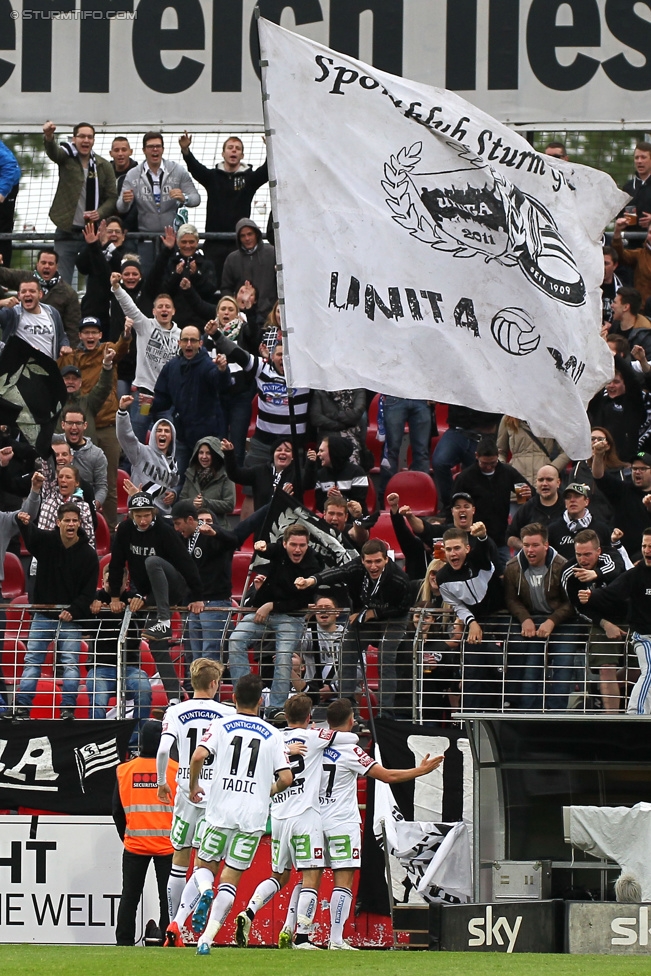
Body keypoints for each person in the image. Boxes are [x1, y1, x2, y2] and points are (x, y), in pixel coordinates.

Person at [278, 698, 443, 950]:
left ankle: (295, 932)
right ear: (351, 720)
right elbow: (386, 776)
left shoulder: (312, 744)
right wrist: (419, 771)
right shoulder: (350, 749)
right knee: (343, 881)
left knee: (308, 880)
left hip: (311, 819)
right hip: (341, 821)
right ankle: (335, 939)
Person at [235, 693, 359, 949]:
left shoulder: (274, 739)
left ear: (286, 715)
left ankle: (249, 911)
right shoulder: (314, 737)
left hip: (279, 816)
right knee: (311, 877)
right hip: (305, 816)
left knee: (279, 876)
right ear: (309, 717)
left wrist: (283, 749)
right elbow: (347, 737)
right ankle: (302, 936)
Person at [187, 674, 293, 955]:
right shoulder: (273, 734)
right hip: (252, 818)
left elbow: (198, 756)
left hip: (220, 810)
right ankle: (206, 939)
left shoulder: (221, 724)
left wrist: (194, 784)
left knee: (203, 866)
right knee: (231, 880)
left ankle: (205, 889)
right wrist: (265, 792)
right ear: (261, 701)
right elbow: (286, 777)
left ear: (233, 698)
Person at [156, 658, 235, 947]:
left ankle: (174, 926)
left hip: (185, 790)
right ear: (215, 683)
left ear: (192, 682)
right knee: (207, 861)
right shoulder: (227, 712)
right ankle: (202, 893)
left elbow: (164, 748)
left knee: (179, 857)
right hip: (215, 793)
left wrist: (160, 781)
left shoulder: (176, 711)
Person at [296, 539, 412, 718]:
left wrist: (374, 613)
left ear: (386, 560)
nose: (373, 566)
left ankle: (385, 713)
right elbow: (338, 572)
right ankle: (346, 707)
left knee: (385, 657)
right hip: (367, 613)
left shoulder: (399, 579)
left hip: (394, 617)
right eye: (369, 562)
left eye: (378, 561)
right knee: (348, 649)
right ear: (362, 560)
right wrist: (312, 581)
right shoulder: (357, 567)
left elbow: (403, 607)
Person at [13, 502, 98, 720]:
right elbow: (31, 536)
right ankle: (22, 708)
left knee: (70, 664)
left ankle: (68, 709)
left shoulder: (89, 555)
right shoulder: (46, 542)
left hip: (71, 619)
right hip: (42, 616)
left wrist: (74, 611)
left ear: (79, 523)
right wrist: (23, 523)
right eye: (67, 520)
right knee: (32, 661)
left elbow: (89, 593)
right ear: (58, 522)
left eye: (74, 521)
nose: (71, 524)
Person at [228, 524, 322, 720]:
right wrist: (261, 545)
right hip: (262, 612)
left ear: (308, 545)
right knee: (236, 640)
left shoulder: (313, 564)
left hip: (290, 616)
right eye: (293, 545)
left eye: (302, 545)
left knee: (284, 654)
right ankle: (247, 698)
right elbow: (268, 549)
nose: (298, 550)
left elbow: (301, 601)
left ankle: (276, 708)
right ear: (284, 543)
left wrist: (271, 605)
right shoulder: (278, 550)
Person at [58, 314, 132, 531]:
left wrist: (126, 335)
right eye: (86, 332)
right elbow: (59, 375)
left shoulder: (108, 349)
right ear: (79, 335)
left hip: (107, 425)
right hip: (78, 428)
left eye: (94, 332)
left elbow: (121, 348)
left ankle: (108, 530)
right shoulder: (73, 356)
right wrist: (61, 353)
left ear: (100, 334)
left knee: (108, 484)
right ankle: (72, 526)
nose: (90, 336)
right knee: (73, 480)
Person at [109, 491, 204, 647]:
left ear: (153, 512)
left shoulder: (164, 530)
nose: (143, 521)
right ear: (132, 514)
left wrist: (197, 596)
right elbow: (116, 563)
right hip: (152, 592)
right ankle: (166, 671)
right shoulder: (125, 530)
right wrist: (115, 597)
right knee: (156, 646)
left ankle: (164, 622)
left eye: (146, 515)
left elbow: (185, 562)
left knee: (152, 561)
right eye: (138, 516)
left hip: (173, 586)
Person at [113, 720, 178, 946]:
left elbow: (117, 811)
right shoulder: (175, 770)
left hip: (135, 844)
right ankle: (168, 941)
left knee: (129, 897)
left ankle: (124, 942)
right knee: (167, 900)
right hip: (167, 846)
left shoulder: (124, 770)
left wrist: (127, 836)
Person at [504, 522, 576, 711]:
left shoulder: (563, 565)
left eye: (535, 545)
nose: (530, 550)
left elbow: (572, 602)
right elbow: (511, 599)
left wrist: (552, 621)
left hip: (563, 622)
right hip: (532, 619)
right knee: (530, 670)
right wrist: (525, 618)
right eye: (526, 545)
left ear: (546, 545)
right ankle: (528, 713)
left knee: (563, 665)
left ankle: (557, 714)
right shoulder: (512, 567)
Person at [579, 527, 651, 714]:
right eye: (644, 546)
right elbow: (613, 591)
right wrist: (592, 595)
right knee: (650, 670)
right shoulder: (636, 574)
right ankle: (636, 712)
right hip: (644, 636)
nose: (647, 551)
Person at [179, 132, 268, 279]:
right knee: (213, 283)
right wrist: (186, 151)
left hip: (239, 242)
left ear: (242, 155)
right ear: (223, 153)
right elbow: (195, 169)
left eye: (238, 148)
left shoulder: (249, 178)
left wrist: (270, 148)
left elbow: (265, 171)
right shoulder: (213, 177)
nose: (234, 150)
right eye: (230, 147)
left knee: (238, 282)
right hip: (214, 242)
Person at [436, 523, 504, 709]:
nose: (453, 553)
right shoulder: (442, 577)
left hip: (504, 618)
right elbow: (457, 605)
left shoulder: (478, 559)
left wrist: (482, 536)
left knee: (502, 669)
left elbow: (486, 549)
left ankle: (506, 709)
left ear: (467, 548)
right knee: (473, 672)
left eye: (457, 548)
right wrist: (472, 622)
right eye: (448, 549)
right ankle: (472, 720)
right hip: (476, 623)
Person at [151, 326, 231, 481]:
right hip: (182, 435)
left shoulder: (208, 365)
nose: (189, 344)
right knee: (179, 480)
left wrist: (222, 370)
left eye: (193, 340)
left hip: (207, 437)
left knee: (207, 481)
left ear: (200, 343)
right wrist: (150, 402)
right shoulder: (171, 366)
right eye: (185, 340)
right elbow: (163, 398)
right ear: (179, 342)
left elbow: (222, 385)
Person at [111, 271, 181, 443]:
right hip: (144, 397)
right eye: (160, 306)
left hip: (167, 399)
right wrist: (116, 288)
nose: (164, 309)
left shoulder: (182, 335)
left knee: (167, 442)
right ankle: (132, 470)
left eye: (167, 307)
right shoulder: (145, 326)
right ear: (154, 310)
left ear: (173, 311)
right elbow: (130, 308)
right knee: (136, 440)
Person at [42, 120, 117, 282]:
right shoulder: (66, 158)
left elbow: (112, 197)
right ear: (74, 139)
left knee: (96, 278)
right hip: (66, 229)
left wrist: (100, 213)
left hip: (92, 232)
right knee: (61, 281)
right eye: (82, 136)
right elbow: (53, 152)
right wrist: (49, 137)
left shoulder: (104, 166)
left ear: (94, 141)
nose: (86, 140)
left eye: (90, 137)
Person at [117, 131, 200, 274]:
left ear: (163, 149)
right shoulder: (133, 174)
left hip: (172, 239)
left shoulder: (177, 170)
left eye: (158, 146)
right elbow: (121, 208)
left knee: (171, 277)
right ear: (144, 150)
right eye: (150, 147)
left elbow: (196, 198)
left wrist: (184, 198)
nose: (155, 150)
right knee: (147, 278)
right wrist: (125, 201)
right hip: (145, 239)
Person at [561, 529, 626, 712]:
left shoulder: (610, 557)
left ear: (598, 551)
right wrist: (605, 624)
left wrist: (596, 574)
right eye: (578, 554)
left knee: (640, 669)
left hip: (630, 614)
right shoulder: (569, 572)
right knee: (606, 668)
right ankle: (612, 718)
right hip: (600, 619)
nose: (583, 559)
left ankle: (601, 689)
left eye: (588, 554)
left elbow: (618, 568)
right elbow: (579, 608)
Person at [86, 562, 152, 738]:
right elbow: (83, 626)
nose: (113, 586)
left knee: (144, 688)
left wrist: (140, 603)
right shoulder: (94, 598)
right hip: (100, 668)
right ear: (103, 581)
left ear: (126, 583)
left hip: (129, 667)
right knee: (97, 701)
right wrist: (91, 608)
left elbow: (148, 612)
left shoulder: (135, 600)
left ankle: (136, 742)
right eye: (109, 582)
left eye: (118, 583)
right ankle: (99, 742)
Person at [171, 501, 238, 663]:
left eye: (178, 524)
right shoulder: (185, 538)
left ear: (190, 520)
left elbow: (234, 540)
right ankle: (199, 689)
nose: (177, 528)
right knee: (196, 658)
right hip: (194, 604)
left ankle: (211, 688)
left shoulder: (214, 536)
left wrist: (215, 533)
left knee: (210, 657)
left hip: (214, 603)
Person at [452, 436, 531, 562]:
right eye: (485, 463)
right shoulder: (465, 477)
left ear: (498, 455)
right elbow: (453, 505)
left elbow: (527, 495)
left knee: (505, 577)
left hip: (500, 539)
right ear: (476, 456)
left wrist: (528, 493)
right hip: (474, 539)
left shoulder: (507, 472)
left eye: (492, 463)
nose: (489, 467)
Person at [0, 248, 81, 347]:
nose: (46, 266)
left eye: (50, 264)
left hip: (50, 345)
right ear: (37, 264)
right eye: (43, 263)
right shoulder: (24, 278)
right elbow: (3, 275)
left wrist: (69, 351)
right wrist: (1, 303)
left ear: (57, 267)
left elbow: (72, 329)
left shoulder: (68, 293)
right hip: (20, 344)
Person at [116, 398, 179, 516]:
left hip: (163, 514)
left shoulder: (173, 463)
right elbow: (125, 436)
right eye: (159, 430)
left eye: (167, 431)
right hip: (139, 510)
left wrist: (173, 494)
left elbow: (172, 486)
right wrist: (122, 412)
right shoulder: (140, 452)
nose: (163, 434)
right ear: (153, 434)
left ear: (172, 437)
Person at [431, 405, 501, 512]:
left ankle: (475, 509)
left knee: (478, 476)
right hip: (457, 430)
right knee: (440, 462)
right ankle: (451, 506)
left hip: (483, 434)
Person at [591, 444, 651, 555]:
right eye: (634, 468)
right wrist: (598, 455)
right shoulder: (622, 490)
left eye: (643, 469)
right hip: (623, 555)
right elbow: (599, 476)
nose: (637, 472)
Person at [160, 223, 218, 329]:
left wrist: (196, 275)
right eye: (184, 242)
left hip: (200, 321)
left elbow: (210, 290)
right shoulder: (170, 263)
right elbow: (164, 291)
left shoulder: (206, 264)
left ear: (197, 242)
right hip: (174, 322)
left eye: (191, 242)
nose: (188, 246)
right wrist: (176, 275)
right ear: (178, 243)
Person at [0, 277, 72, 357]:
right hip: (19, 367)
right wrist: (1, 303)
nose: (27, 294)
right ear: (19, 295)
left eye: (32, 291)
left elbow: (61, 337)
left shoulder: (52, 312)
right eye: (24, 291)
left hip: (49, 366)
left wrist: (65, 345)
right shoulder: (11, 313)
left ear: (40, 294)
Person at [222, 436, 297, 513]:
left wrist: (310, 464)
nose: (283, 452)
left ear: (292, 457)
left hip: (289, 522)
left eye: (287, 451)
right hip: (262, 521)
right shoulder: (260, 471)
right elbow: (235, 475)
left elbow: (308, 480)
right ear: (273, 454)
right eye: (279, 450)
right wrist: (229, 454)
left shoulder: (297, 474)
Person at [221, 218, 277, 318]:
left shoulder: (272, 253)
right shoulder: (232, 259)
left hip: (270, 314)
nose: (247, 238)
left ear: (256, 234)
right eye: (242, 236)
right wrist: (235, 306)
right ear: (238, 238)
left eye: (250, 234)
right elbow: (226, 288)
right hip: (243, 316)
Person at [378, 397, 431, 500]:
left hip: (421, 396)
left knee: (421, 453)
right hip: (396, 394)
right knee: (390, 451)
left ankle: (422, 499)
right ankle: (386, 498)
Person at [59, 405, 108, 513]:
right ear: (63, 424)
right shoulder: (54, 444)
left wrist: (92, 506)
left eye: (78, 423)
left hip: (84, 506)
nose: (74, 427)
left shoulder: (97, 454)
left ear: (85, 425)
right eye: (70, 423)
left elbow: (101, 487)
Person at [547, 483, 613, 562]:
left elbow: (610, 556)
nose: (572, 500)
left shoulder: (601, 529)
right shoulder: (553, 529)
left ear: (586, 501)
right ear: (565, 503)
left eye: (577, 496)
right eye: (568, 497)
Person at [179, 438, 235, 529]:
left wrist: (205, 503)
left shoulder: (226, 475)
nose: (204, 457)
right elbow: (182, 500)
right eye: (201, 453)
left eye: (208, 453)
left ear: (216, 454)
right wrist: (192, 502)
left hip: (218, 528)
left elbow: (229, 505)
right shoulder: (190, 473)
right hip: (193, 527)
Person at [496, 417, 569, 487]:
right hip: (517, 478)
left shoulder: (550, 416)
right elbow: (500, 451)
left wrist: (553, 468)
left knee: (544, 498)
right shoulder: (508, 418)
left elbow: (567, 451)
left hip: (543, 478)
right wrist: (504, 468)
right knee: (520, 499)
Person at [305, 434, 369, 512]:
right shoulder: (320, 475)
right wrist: (329, 500)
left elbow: (359, 504)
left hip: (353, 520)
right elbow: (320, 506)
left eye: (322, 451)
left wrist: (342, 499)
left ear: (333, 452)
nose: (318, 454)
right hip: (330, 520)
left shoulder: (357, 473)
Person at [507, 465, 566, 551]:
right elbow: (509, 537)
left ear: (558, 482)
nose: (544, 484)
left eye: (549, 479)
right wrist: (526, 547)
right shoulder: (527, 508)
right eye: (541, 480)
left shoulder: (568, 506)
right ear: (536, 482)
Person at [58, 357, 113, 448]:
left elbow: (104, 387)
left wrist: (107, 364)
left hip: (87, 455)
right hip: (61, 455)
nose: (70, 382)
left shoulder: (89, 402)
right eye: (67, 378)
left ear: (80, 383)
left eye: (74, 379)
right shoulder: (52, 404)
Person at [309, 389, 367, 464]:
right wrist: (339, 425)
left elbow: (356, 414)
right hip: (329, 434)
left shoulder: (358, 390)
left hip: (353, 435)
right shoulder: (320, 392)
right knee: (332, 450)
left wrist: (332, 415)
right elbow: (316, 418)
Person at [607, 286, 651, 358]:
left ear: (626, 307)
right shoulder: (614, 326)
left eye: (615, 302)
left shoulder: (644, 337)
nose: (612, 305)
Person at [621, 142, 651, 231]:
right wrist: (624, 219)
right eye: (636, 158)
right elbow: (619, 216)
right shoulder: (628, 187)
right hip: (632, 242)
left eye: (643, 157)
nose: (639, 161)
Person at [0, 139, 20, 266]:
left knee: (3, 230)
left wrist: (2, 192)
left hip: (6, 185)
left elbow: (10, 166)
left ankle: (3, 276)